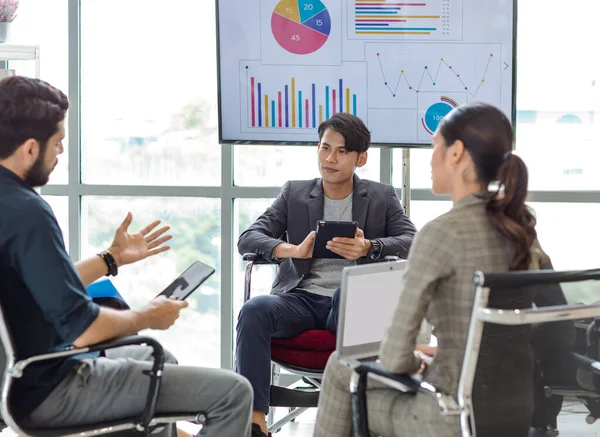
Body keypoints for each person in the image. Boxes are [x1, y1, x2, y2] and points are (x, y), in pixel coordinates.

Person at [0, 76, 253, 437]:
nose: (60, 154)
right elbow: (84, 328)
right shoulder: (28, 212)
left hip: (21, 382)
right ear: (29, 149)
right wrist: (147, 316)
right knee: (233, 392)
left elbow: (47, 284)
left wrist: (111, 258)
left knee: (160, 361)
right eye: (57, 145)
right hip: (51, 387)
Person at [313, 102, 571, 437]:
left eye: (435, 147)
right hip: (516, 410)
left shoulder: (440, 233)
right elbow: (554, 325)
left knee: (338, 369)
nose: (431, 159)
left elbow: (394, 357)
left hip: (449, 416)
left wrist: (419, 360)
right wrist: (454, 350)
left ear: (456, 154)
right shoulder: (521, 230)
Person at [236, 112, 417, 437]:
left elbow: (412, 241)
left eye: (342, 151)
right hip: (299, 300)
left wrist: (369, 247)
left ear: (361, 158)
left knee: (346, 291)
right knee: (254, 311)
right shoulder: (294, 193)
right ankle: (255, 423)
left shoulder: (381, 196)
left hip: (351, 302)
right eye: (324, 148)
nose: (330, 158)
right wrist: (291, 250)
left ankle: (360, 418)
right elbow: (248, 238)